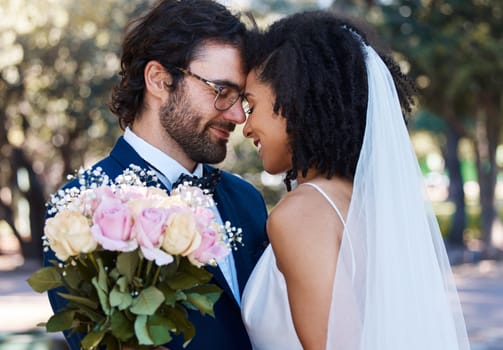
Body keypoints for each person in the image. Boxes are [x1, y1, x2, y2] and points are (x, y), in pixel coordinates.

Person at [43, 1, 268, 349]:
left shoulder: (248, 200)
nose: (238, 116)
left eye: (242, 99)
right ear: (159, 80)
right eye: (221, 92)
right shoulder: (79, 213)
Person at [240, 10, 470, 350]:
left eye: (251, 105)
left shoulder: (301, 214)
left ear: (293, 103)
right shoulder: (367, 206)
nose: (245, 127)